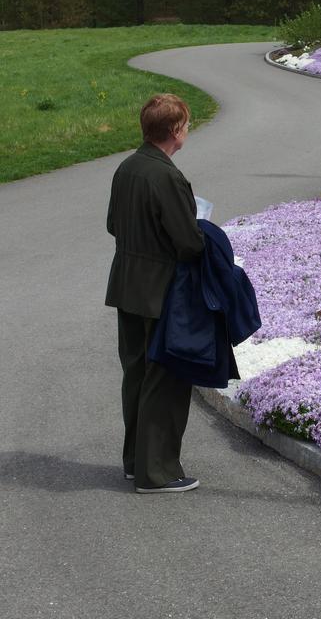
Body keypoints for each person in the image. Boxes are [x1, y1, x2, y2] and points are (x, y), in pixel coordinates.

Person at [105, 93, 205, 494]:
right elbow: (189, 243)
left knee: (136, 374)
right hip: (160, 291)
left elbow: (114, 223)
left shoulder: (127, 167)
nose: (187, 131)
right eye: (186, 125)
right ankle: (157, 473)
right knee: (164, 379)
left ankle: (135, 462)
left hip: (127, 284)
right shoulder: (167, 177)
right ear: (175, 130)